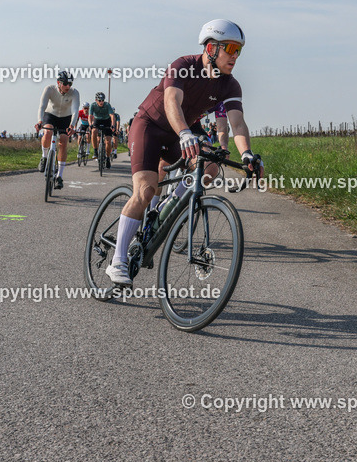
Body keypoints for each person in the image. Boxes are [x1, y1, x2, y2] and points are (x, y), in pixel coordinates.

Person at [105, 18, 263, 284]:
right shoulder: (183, 66)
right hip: (150, 127)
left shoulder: (230, 85)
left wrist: (247, 154)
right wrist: (185, 133)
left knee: (211, 167)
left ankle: (170, 203)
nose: (235, 56)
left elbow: (237, 122)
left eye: (239, 50)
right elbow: (171, 102)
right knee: (144, 191)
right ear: (211, 48)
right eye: (231, 49)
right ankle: (118, 260)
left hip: (181, 134)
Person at [34, 71, 79, 189]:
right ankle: (44, 157)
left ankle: (59, 176)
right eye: (65, 83)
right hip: (50, 115)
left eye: (70, 83)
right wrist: (39, 121)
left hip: (65, 117)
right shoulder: (49, 89)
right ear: (59, 83)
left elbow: (75, 111)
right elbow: (42, 106)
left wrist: (72, 125)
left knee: (63, 141)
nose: (68, 86)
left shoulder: (74, 93)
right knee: (48, 132)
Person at [88, 92, 116, 168]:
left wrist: (113, 125)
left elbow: (112, 116)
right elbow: (90, 116)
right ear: (96, 100)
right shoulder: (93, 105)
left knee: (108, 141)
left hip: (107, 121)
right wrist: (90, 124)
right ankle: (95, 151)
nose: (101, 102)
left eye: (102, 100)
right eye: (99, 100)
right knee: (94, 131)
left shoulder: (107, 105)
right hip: (97, 120)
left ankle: (107, 158)